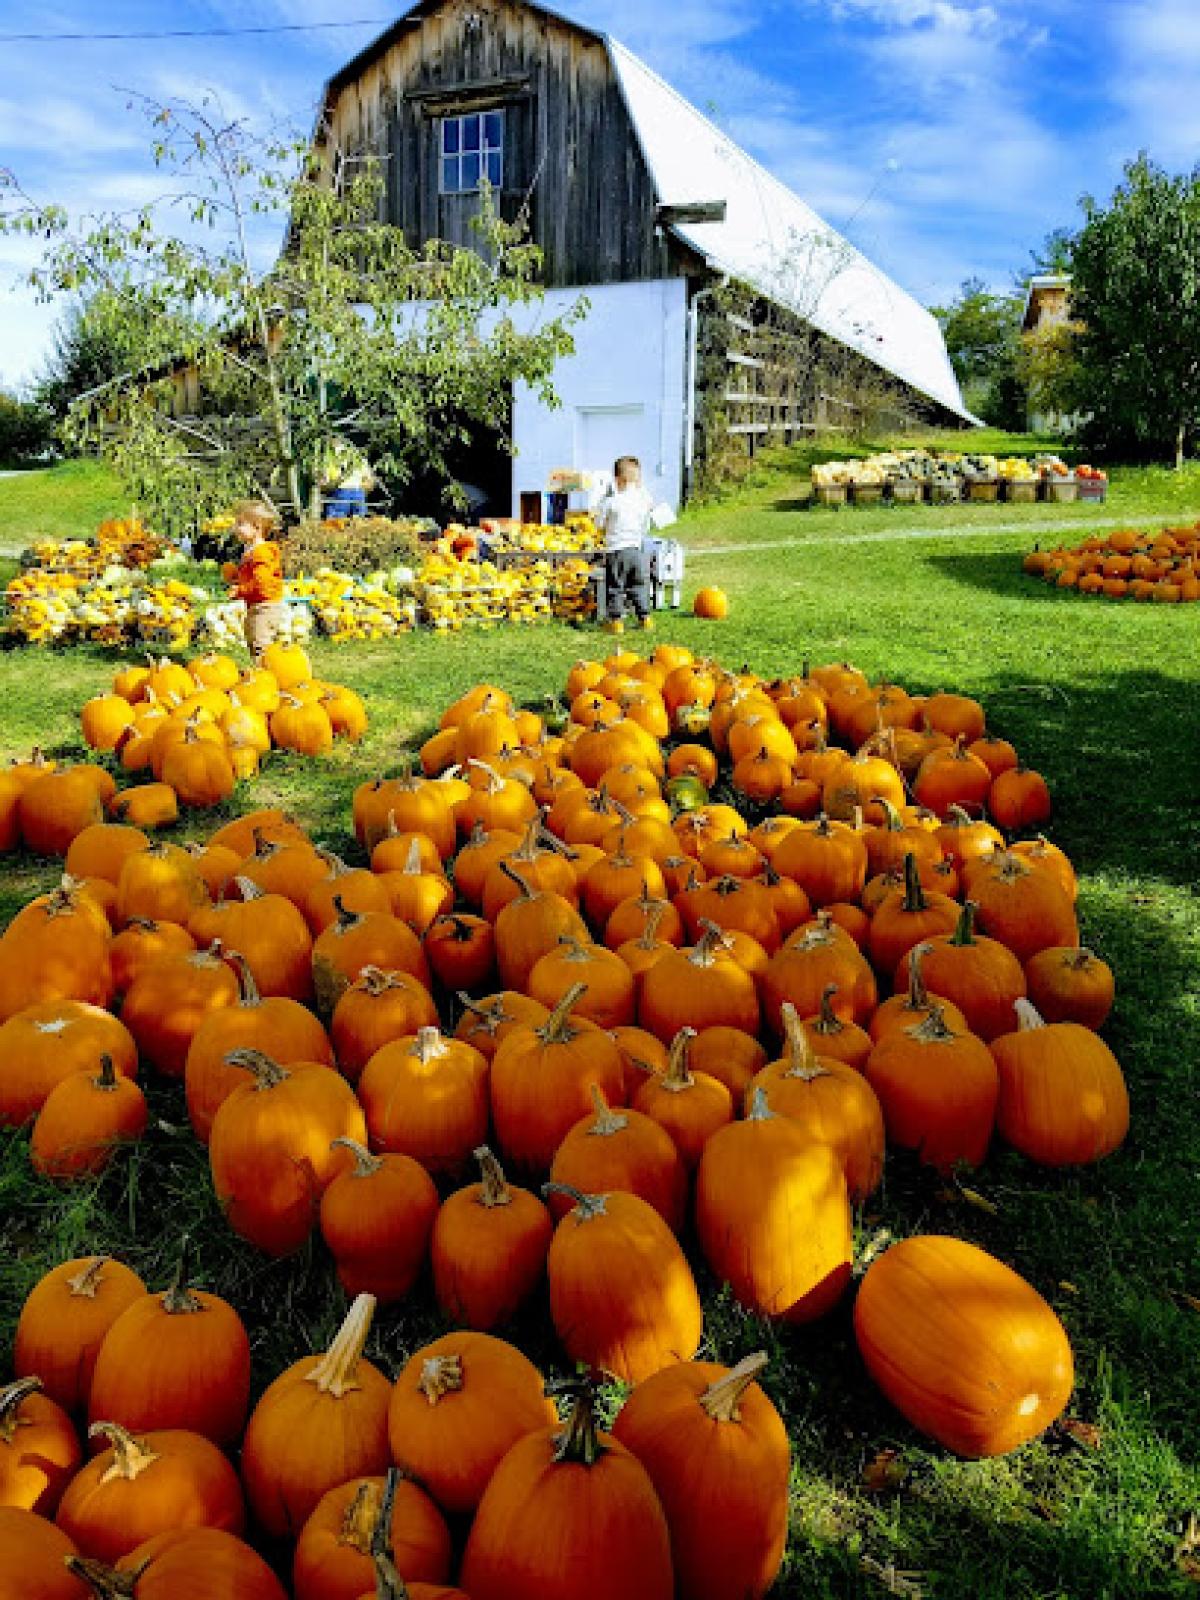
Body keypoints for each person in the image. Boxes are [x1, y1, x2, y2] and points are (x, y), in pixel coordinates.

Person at [596, 455, 654, 633]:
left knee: (615, 587)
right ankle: (645, 618)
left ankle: (616, 622)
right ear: (637, 479)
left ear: (617, 479)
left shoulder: (611, 501)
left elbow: (599, 523)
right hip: (636, 551)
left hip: (616, 551)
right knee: (638, 585)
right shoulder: (642, 501)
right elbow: (646, 525)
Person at [223, 499, 286, 661]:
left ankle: (266, 672)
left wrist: (240, 590)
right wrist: (235, 577)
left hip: (265, 606)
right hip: (257, 605)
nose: (235, 528)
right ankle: (262, 670)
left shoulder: (261, 553)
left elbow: (261, 583)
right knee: (253, 641)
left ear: (257, 527)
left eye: (240, 524)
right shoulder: (251, 551)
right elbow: (252, 577)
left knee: (260, 645)